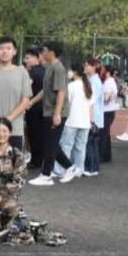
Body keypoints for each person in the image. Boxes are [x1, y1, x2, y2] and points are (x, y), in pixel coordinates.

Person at [28, 42, 74, 186]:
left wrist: (57, 113)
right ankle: (69, 167)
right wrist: (31, 102)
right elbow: (45, 91)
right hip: (49, 111)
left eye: (44, 50)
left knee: (50, 144)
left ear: (52, 52)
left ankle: (46, 174)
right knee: (49, 143)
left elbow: (61, 91)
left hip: (55, 112)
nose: (42, 53)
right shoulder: (50, 68)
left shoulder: (58, 68)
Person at [53, 64, 93, 182]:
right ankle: (79, 169)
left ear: (74, 72)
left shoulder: (70, 86)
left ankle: (61, 170)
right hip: (85, 122)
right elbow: (91, 106)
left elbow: (65, 103)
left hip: (71, 121)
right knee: (80, 147)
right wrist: (91, 120)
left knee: (66, 146)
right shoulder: (88, 86)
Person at [23, 48, 46, 169]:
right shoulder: (44, 70)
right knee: (40, 134)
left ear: (36, 58)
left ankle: (35, 161)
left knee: (33, 134)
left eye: (27, 58)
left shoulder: (32, 72)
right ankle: (40, 159)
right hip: (43, 107)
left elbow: (26, 86)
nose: (25, 60)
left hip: (33, 107)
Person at [83, 58, 104, 176]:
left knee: (90, 143)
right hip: (95, 117)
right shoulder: (93, 80)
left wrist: (90, 119)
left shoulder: (94, 81)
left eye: (87, 65)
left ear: (94, 67)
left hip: (93, 117)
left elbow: (91, 100)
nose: (85, 67)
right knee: (92, 144)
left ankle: (90, 168)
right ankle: (94, 168)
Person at [100, 65, 119, 162]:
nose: (101, 72)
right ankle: (106, 156)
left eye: (102, 70)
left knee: (103, 134)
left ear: (107, 72)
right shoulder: (112, 81)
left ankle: (102, 156)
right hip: (110, 111)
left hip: (106, 111)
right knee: (106, 134)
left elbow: (106, 98)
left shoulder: (108, 82)